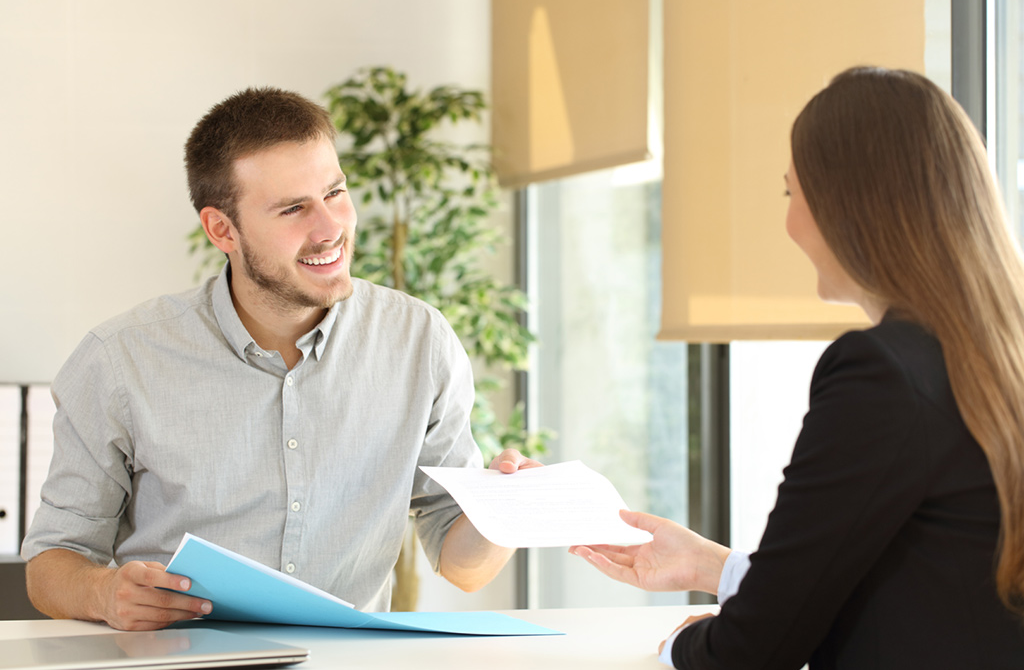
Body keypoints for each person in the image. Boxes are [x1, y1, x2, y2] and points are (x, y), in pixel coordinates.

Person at [21, 87, 539, 631]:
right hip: (177, 662)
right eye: (293, 208)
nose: (330, 228)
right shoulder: (119, 360)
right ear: (222, 229)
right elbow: (52, 563)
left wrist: (505, 512)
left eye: (335, 193)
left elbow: (463, 567)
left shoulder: (421, 341)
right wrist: (103, 593)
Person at [571, 67, 1024, 668]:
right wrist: (716, 565)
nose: (788, 225)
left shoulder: (882, 372)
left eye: (791, 193)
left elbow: (753, 652)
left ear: (848, 204)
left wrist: (677, 645)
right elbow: (920, 577)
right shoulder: (994, 357)